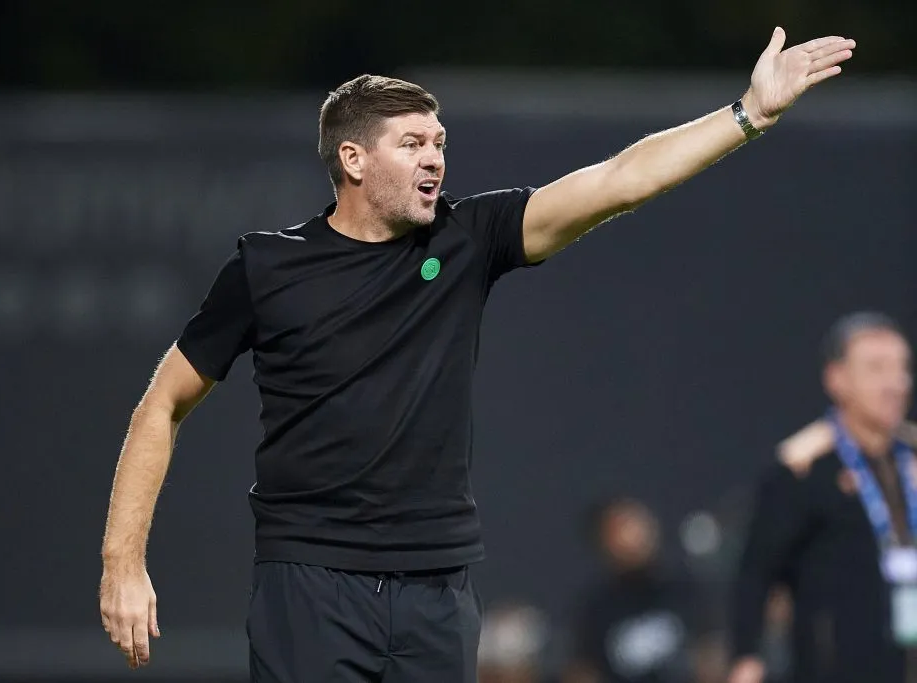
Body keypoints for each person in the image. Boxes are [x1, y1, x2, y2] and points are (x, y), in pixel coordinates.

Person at [98, 28, 855, 683]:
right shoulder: (268, 267)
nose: (435, 158)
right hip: (311, 585)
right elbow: (160, 405)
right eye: (413, 144)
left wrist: (749, 114)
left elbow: (621, 180)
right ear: (354, 160)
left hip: (436, 589)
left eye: (441, 143)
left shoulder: (466, 240)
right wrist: (122, 563)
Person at [728, 312, 916, 683]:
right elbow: (756, 572)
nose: (895, 383)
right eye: (877, 369)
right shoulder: (805, 468)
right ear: (837, 379)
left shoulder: (911, 456)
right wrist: (746, 656)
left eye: (902, 368)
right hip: (839, 666)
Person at [564, 497, 722, 683]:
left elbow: (710, 653)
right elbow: (582, 671)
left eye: (638, 523)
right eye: (622, 528)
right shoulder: (596, 609)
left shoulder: (684, 589)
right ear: (604, 541)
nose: (635, 535)